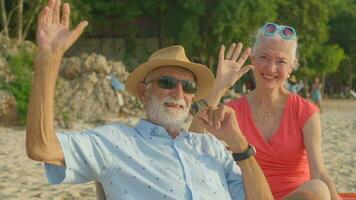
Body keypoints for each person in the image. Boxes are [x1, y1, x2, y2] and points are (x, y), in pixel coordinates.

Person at [25, 1, 274, 199]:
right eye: (166, 83)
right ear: (144, 92)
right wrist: (49, 59)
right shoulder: (117, 143)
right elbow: (41, 148)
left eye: (188, 87)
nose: (178, 93)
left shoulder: (210, 148)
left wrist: (239, 145)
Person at [190, 23, 339, 200]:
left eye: (281, 61)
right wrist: (219, 88)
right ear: (252, 60)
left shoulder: (305, 111)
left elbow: (319, 173)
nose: (271, 68)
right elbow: (190, 147)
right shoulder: (232, 111)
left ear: (291, 67)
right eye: (264, 58)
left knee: (318, 189)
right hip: (250, 195)